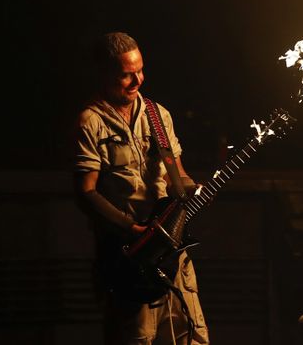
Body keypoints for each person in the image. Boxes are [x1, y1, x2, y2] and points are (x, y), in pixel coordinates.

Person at [74, 31, 209, 344]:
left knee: (191, 337)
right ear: (104, 74)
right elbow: (86, 191)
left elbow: (178, 176)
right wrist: (131, 228)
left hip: (173, 254)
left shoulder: (158, 116)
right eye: (126, 75)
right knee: (137, 338)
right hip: (131, 263)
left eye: (140, 71)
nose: (137, 81)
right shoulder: (90, 122)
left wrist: (193, 188)